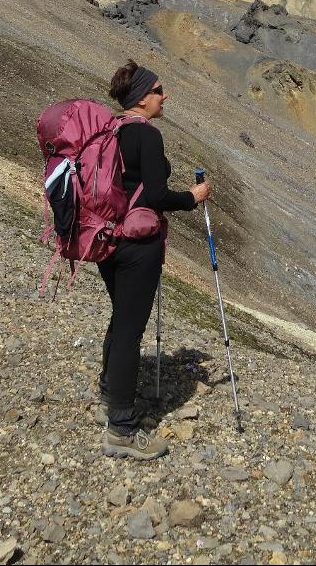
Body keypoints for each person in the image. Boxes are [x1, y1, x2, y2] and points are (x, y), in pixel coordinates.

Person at [99, 59, 211, 459]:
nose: (166, 97)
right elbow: (155, 196)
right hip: (137, 245)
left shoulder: (109, 130)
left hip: (105, 239)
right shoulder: (148, 137)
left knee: (121, 317)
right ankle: (122, 429)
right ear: (143, 98)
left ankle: (111, 392)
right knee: (131, 330)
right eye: (160, 90)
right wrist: (192, 199)